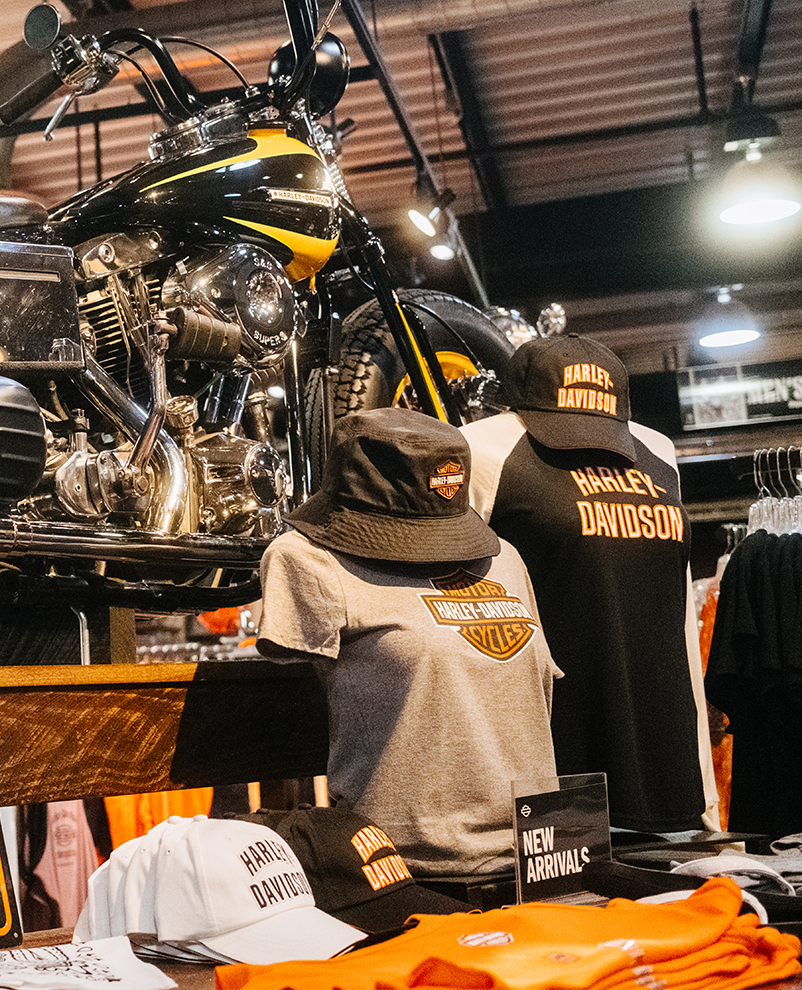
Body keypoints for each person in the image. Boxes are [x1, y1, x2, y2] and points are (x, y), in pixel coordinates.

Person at [257, 408, 558, 876]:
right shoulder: (305, 561)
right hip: (408, 868)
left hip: (543, 854)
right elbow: (286, 709)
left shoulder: (506, 560)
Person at [459, 334, 718, 832]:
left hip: (666, 768)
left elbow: (679, 617)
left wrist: (705, 787)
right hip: (556, 769)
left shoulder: (658, 452)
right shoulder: (483, 449)